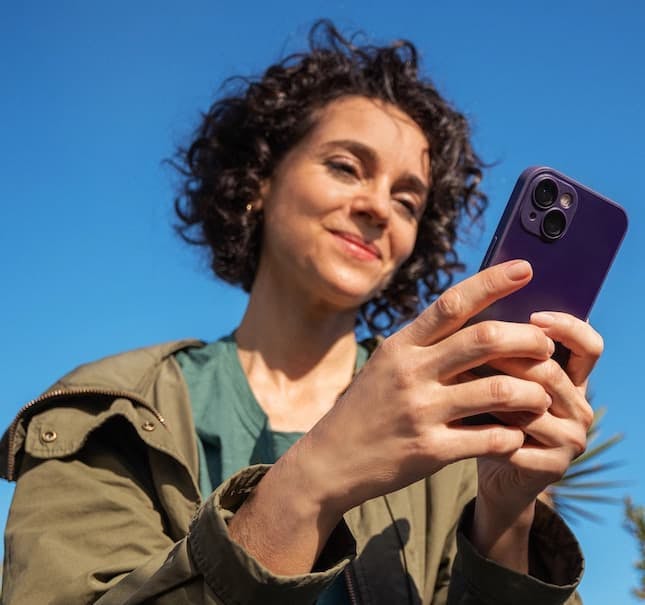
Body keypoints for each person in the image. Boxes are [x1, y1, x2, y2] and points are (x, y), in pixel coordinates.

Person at [0, 20, 597, 604]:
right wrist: (310, 482)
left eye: (407, 199)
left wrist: (508, 517)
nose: (378, 208)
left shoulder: (457, 432)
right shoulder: (110, 411)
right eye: (345, 167)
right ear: (258, 179)